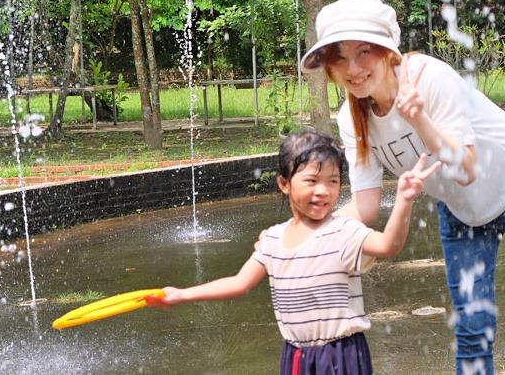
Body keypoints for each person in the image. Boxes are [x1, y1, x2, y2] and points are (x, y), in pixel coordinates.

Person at [299, 0, 505, 374]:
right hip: (462, 210)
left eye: (364, 51)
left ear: (386, 50)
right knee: (472, 331)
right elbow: (364, 208)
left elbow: (465, 168)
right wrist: (306, 234)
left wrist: (420, 122)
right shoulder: (352, 118)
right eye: (340, 57)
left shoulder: (428, 78)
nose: (353, 68)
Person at [146, 129, 439, 374]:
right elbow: (239, 283)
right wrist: (181, 294)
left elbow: (390, 245)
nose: (323, 191)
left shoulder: (344, 232)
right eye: (311, 181)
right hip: (296, 355)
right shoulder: (273, 239)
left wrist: (404, 200)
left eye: (333, 181)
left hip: (341, 355)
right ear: (284, 184)